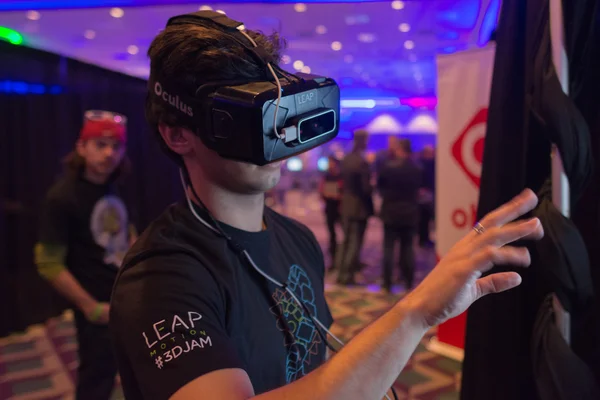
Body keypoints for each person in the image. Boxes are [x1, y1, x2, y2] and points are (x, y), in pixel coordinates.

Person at [109, 13, 545, 400]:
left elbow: (316, 369)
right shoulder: (161, 276)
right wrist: (418, 312)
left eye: (275, 112)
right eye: (248, 121)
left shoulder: (299, 240)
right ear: (177, 135)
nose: (276, 138)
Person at [35, 110, 135, 400]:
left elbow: (128, 234)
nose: (109, 153)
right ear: (81, 147)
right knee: (96, 381)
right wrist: (90, 307)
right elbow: (48, 264)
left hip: (124, 300)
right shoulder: (61, 197)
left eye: (116, 146)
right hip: (97, 309)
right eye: (100, 144)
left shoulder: (114, 186)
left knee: (135, 372)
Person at [378, 139, 422, 292]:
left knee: (388, 248)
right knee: (408, 248)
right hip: (410, 212)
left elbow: (380, 187)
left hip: (390, 212)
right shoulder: (416, 168)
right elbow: (421, 190)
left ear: (400, 150)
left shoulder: (388, 168)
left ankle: (386, 282)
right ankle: (408, 281)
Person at [336, 129, 374, 285]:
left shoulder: (346, 159)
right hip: (359, 207)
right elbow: (366, 189)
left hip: (345, 205)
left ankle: (341, 272)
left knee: (345, 241)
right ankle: (348, 275)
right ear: (363, 141)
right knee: (354, 242)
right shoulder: (362, 162)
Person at [319, 156, 343, 270]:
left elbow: (344, 191)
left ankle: (342, 260)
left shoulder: (341, 177)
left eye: (331, 163)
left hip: (340, 209)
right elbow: (321, 191)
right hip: (329, 209)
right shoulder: (326, 177)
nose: (329, 165)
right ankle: (334, 261)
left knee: (344, 235)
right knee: (332, 236)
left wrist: (339, 196)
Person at [418, 145, 435, 247]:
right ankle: (423, 239)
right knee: (424, 219)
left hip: (427, 194)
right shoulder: (425, 165)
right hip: (425, 195)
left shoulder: (421, 164)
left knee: (426, 219)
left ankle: (424, 238)